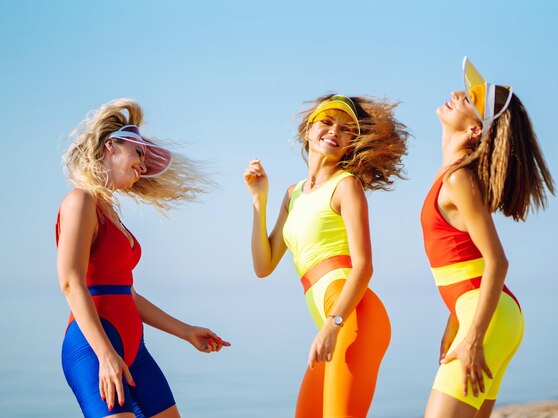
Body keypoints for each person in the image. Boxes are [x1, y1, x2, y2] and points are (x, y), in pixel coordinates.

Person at [56, 98, 230, 418]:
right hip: (94, 347)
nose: (143, 165)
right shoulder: (80, 201)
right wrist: (106, 354)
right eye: (138, 152)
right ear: (111, 146)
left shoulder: (113, 214)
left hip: (135, 349)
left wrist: (186, 331)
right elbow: (70, 282)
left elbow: (127, 294)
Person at [243, 94, 409, 417]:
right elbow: (263, 266)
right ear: (308, 131)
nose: (335, 131)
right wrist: (258, 200)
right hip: (332, 321)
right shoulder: (293, 194)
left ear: (350, 144)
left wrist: (333, 324)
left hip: (352, 316)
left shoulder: (346, 186)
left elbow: (364, 266)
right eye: (327, 122)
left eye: (346, 129)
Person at [420, 57, 555, 418]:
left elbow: (497, 260)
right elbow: (465, 262)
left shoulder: (458, 179)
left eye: (468, 99)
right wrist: (455, 324)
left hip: (487, 317)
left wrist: (473, 336)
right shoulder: (451, 174)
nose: (455, 94)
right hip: (490, 313)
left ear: (476, 131)